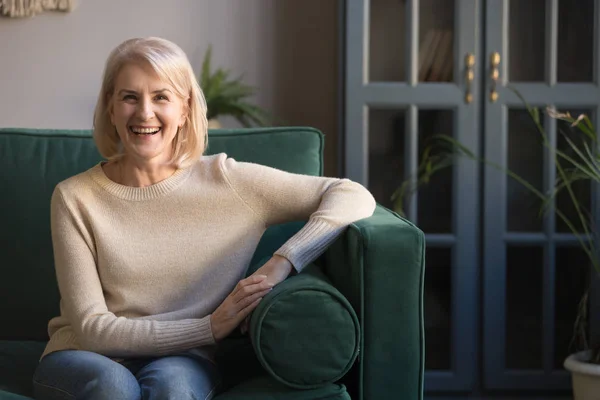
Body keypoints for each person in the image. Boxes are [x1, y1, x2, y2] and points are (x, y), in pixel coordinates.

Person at [32, 36, 376, 400]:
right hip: (85, 356)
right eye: (129, 97)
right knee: (113, 387)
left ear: (184, 109)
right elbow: (91, 330)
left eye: (161, 97)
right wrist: (209, 328)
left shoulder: (228, 181)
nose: (144, 113)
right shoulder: (74, 197)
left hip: (182, 360)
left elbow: (351, 194)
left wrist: (282, 264)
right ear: (111, 108)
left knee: (174, 388)